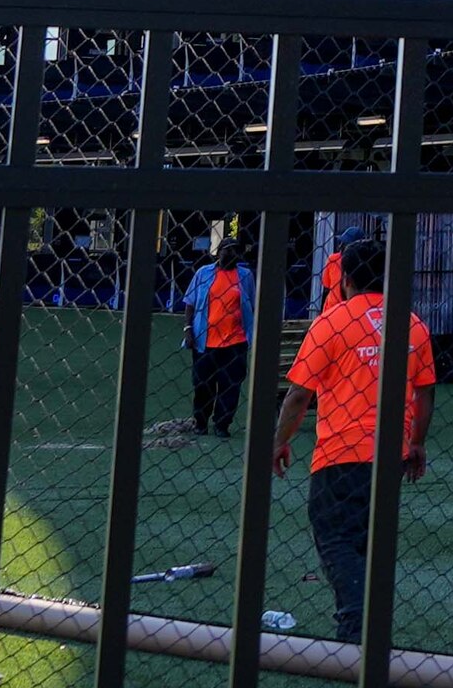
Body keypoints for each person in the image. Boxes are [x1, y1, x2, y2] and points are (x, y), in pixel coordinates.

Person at [269, 234, 429, 643]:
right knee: (368, 537)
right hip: (389, 450)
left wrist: (279, 441)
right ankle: (369, 617)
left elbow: (299, 393)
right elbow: (426, 390)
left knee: (335, 535)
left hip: (341, 452)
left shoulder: (332, 321)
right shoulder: (411, 323)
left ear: (346, 280)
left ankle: (356, 623)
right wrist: (415, 443)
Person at [176, 238, 253, 436]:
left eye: (236, 251)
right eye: (228, 251)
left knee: (231, 384)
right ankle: (201, 422)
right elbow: (190, 303)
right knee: (203, 384)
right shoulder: (204, 273)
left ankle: (222, 424)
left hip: (235, 341)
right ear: (218, 253)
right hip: (205, 339)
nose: (233, 254)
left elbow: (252, 303)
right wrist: (188, 329)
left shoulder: (245, 276)